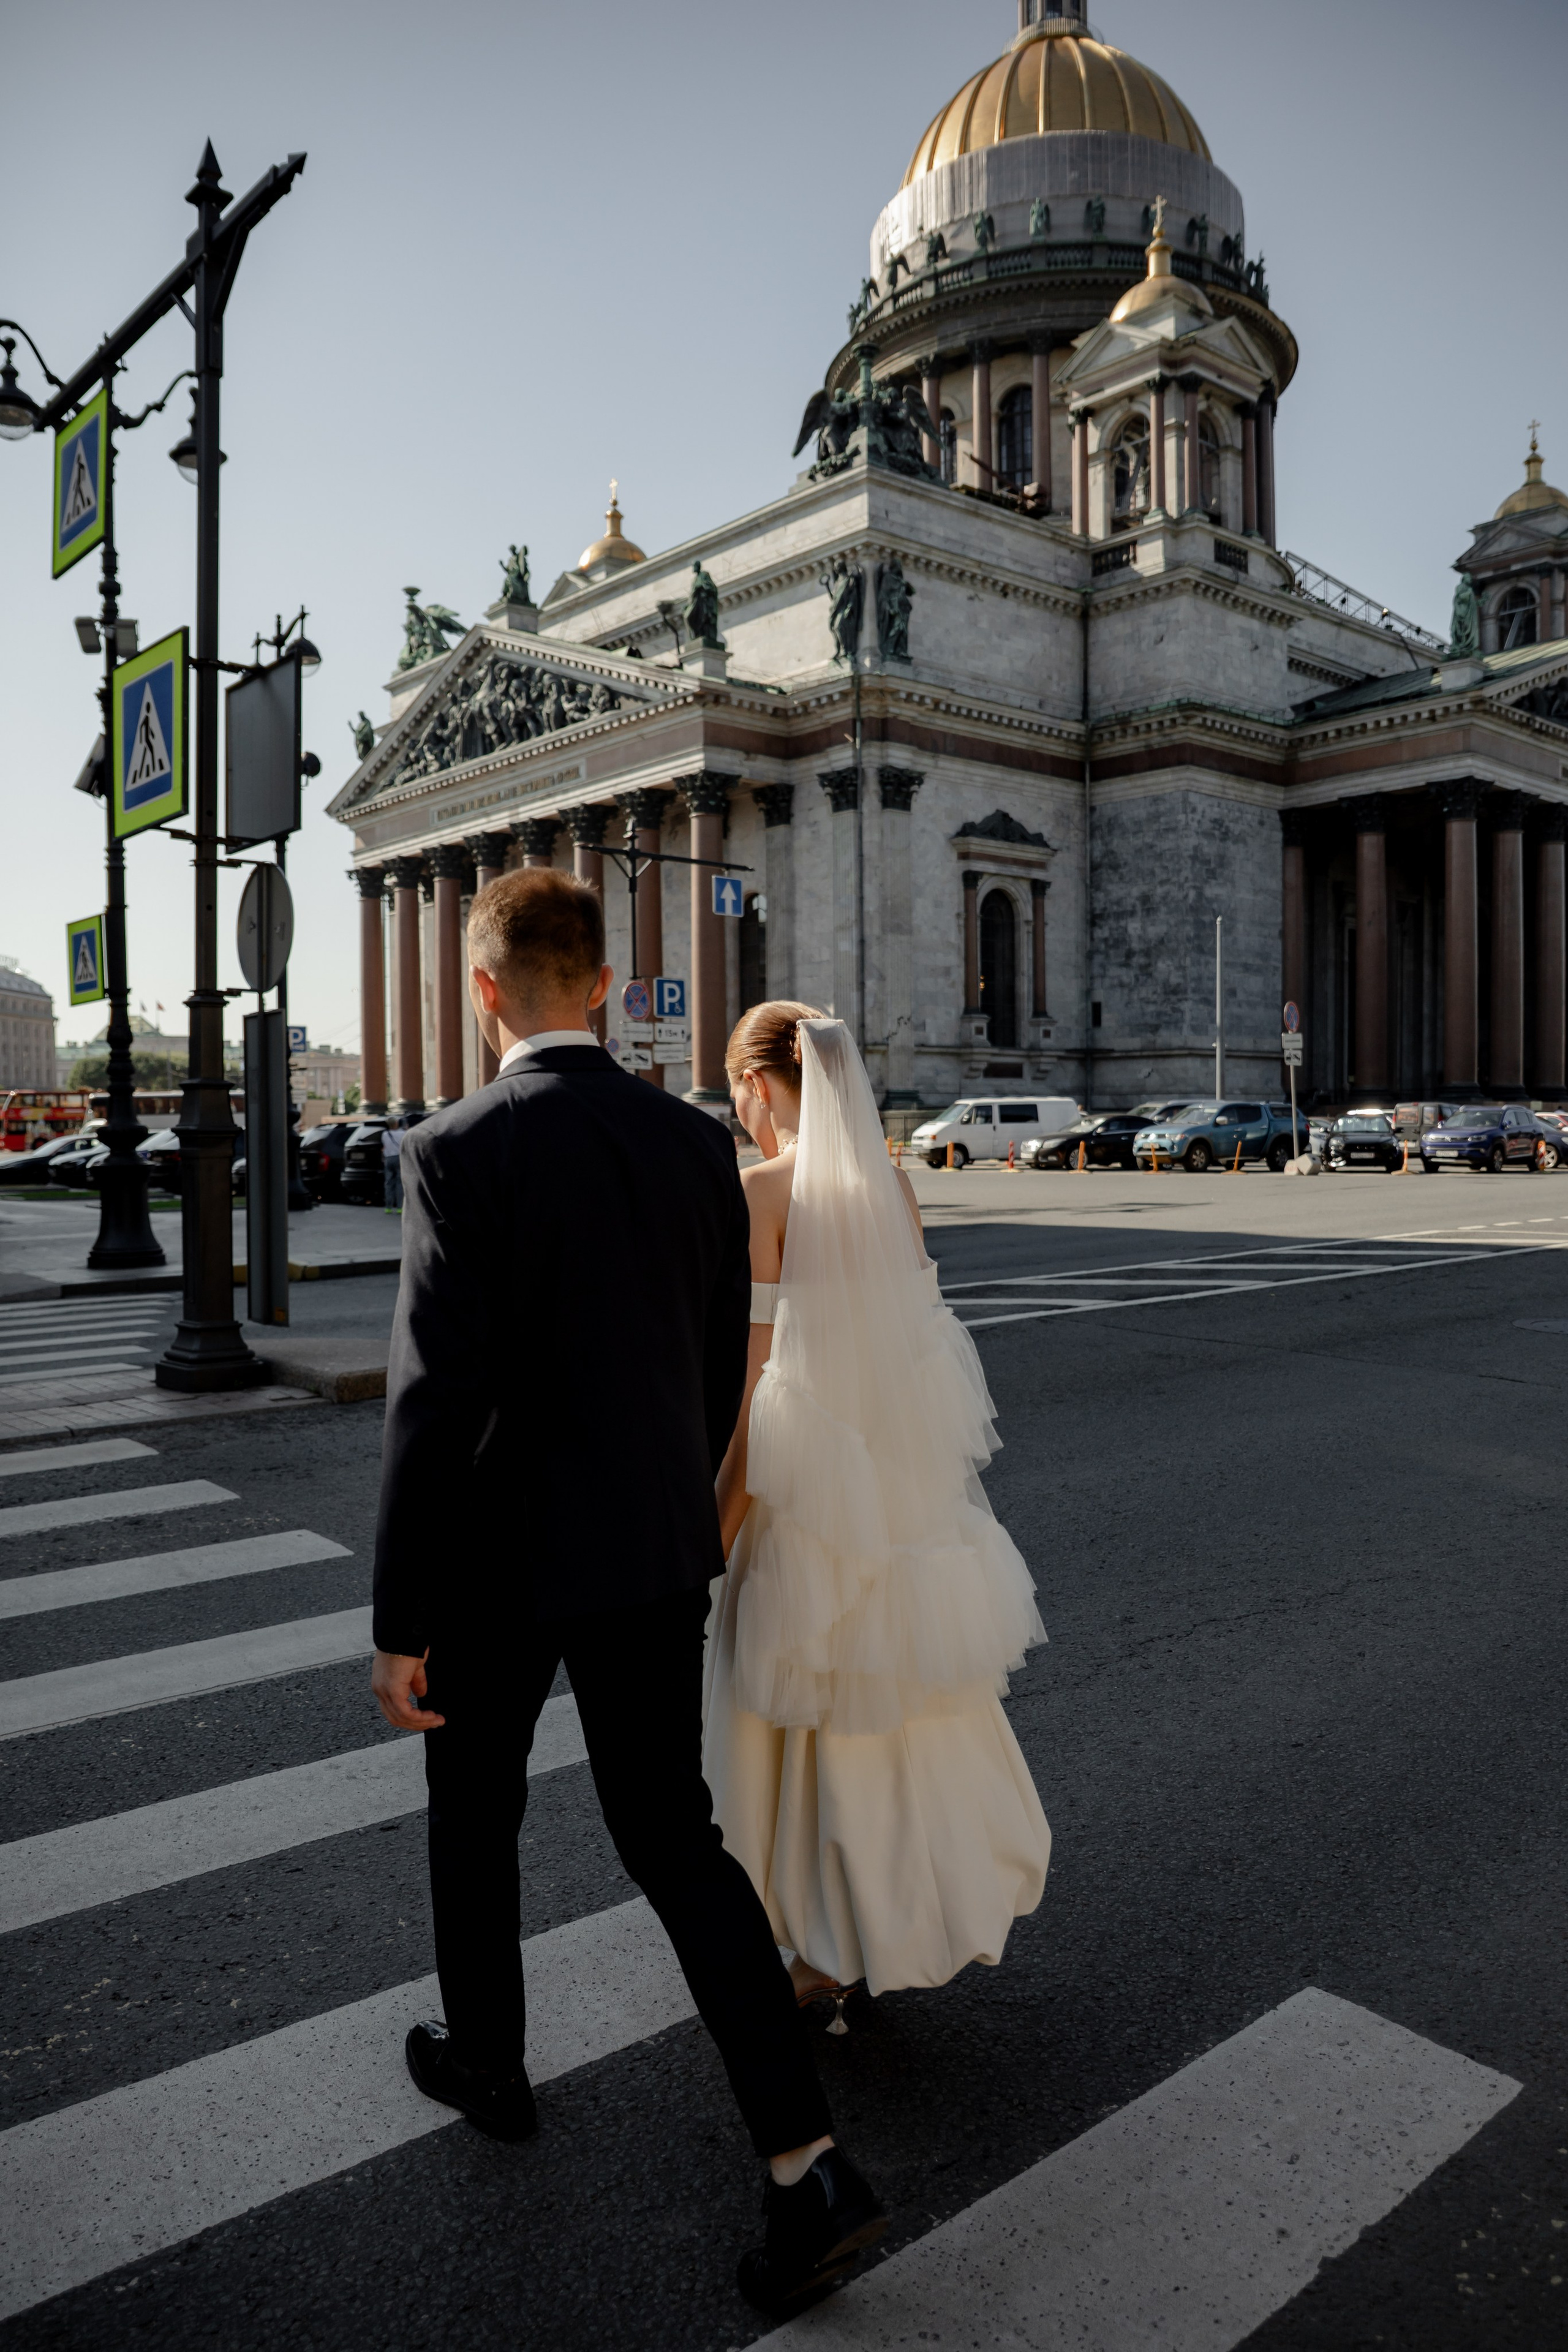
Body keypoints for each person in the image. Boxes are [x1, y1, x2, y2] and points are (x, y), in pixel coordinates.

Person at [369, 873, 884, 2315]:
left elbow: (432, 1399)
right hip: (651, 1551)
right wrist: (669, 1508)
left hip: (493, 1566)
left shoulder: (455, 1147)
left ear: (482, 990)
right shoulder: (688, 1143)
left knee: (474, 1813)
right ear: (600, 985)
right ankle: (804, 2162)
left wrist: (399, 1618)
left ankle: (490, 2062)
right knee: (675, 1838)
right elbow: (716, 1368)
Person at [706, 1003, 1050, 2016]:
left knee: (795, 1729)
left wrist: (713, 1528)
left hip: (801, 1500)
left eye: (736, 1092)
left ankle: (814, 1951)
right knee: (899, 1721)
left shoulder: (761, 1192)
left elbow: (754, 1385)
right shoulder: (895, 1190)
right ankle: (897, 1920)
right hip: (898, 1501)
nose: (738, 1113)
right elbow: (911, 1356)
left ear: (758, 1086)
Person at [381, 1114, 404, 1213]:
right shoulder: (402, 1133)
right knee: (400, 1183)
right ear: (396, 1123)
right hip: (399, 1158)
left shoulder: (385, 1134)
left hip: (388, 1159)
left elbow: (384, 1146)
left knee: (389, 1183)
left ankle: (388, 1207)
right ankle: (400, 1207)